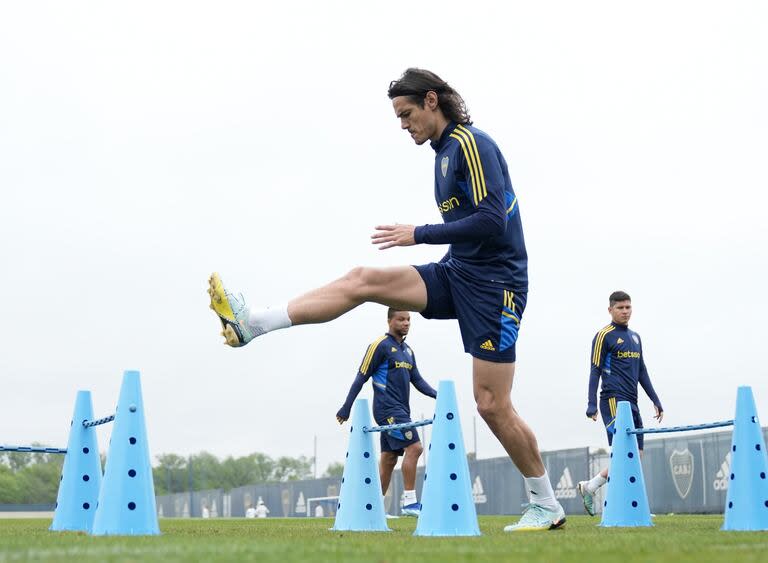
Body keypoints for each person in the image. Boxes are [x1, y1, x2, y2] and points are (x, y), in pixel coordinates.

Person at [208, 67, 565, 531]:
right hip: (460, 272)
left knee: (492, 404)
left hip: (497, 286)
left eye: (407, 113)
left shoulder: (471, 144)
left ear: (432, 100)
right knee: (363, 280)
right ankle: (254, 323)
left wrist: (419, 233)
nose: (403, 125)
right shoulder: (441, 154)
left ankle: (546, 504)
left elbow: (493, 219)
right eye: (398, 116)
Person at [336, 308, 437, 517]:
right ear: (390, 320)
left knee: (389, 458)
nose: (406, 323)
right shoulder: (379, 346)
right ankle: (410, 502)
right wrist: (346, 407)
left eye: (408, 319)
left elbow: (417, 380)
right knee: (415, 447)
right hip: (386, 410)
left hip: (402, 410)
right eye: (401, 319)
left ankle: (375, 509)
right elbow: (360, 377)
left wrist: (440, 395)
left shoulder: (408, 351)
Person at [578, 291, 664, 516]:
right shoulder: (603, 335)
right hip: (613, 400)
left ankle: (592, 486)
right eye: (620, 308)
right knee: (624, 452)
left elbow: (642, 371)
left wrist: (655, 399)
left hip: (632, 403)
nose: (625, 311)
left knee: (637, 454)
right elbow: (594, 369)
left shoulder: (635, 337)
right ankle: (626, 507)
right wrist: (591, 403)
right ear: (610, 310)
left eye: (628, 307)